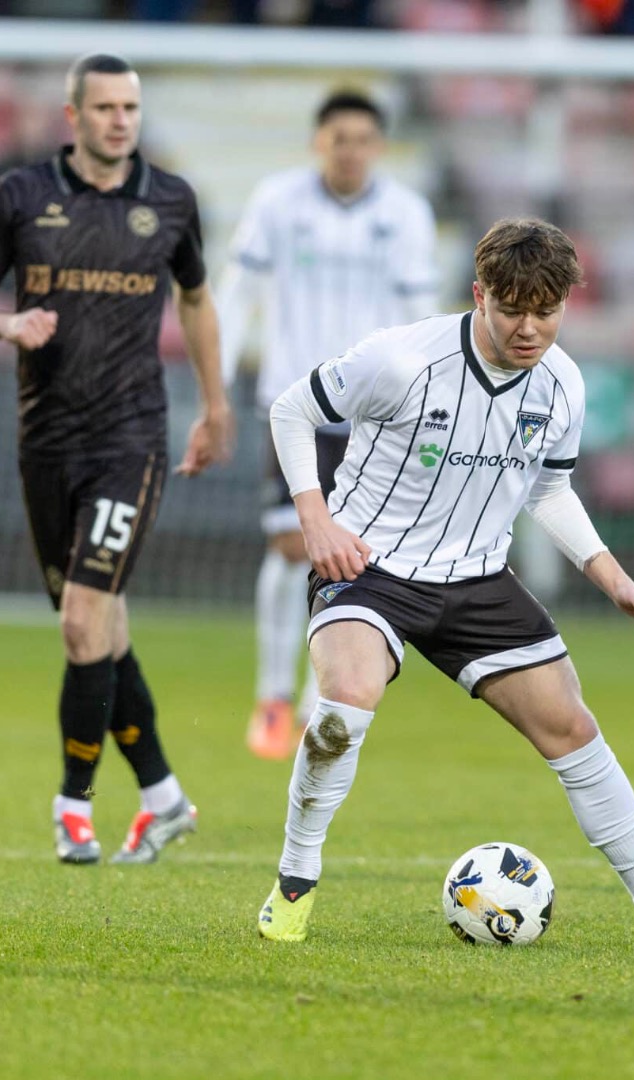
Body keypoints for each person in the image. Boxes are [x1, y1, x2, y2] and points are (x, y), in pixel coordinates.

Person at [254, 218, 634, 948]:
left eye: (546, 311)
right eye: (512, 309)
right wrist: (316, 522)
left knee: (573, 729)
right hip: (370, 570)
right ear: (479, 294)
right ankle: (296, 879)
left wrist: (616, 581)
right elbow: (291, 409)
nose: (529, 328)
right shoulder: (401, 359)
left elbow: (549, 490)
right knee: (344, 703)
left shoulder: (562, 383)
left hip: (477, 580)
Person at [0, 54, 233, 866]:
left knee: (81, 622)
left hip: (129, 439)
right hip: (45, 440)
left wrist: (215, 405)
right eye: (105, 108)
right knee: (99, 628)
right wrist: (7, 325)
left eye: (130, 108)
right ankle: (165, 799)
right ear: (73, 116)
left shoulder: (171, 200)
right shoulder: (19, 195)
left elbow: (196, 300)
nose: (120, 121)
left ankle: (73, 806)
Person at [215, 89, 438, 761]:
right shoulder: (278, 201)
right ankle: (272, 696)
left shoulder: (406, 214)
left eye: (363, 140)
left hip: (376, 413)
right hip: (295, 405)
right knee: (292, 548)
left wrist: (427, 397)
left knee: (354, 558)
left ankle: (321, 701)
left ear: (379, 146)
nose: (351, 151)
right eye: (340, 139)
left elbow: (422, 315)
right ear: (320, 141)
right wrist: (214, 384)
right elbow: (238, 294)